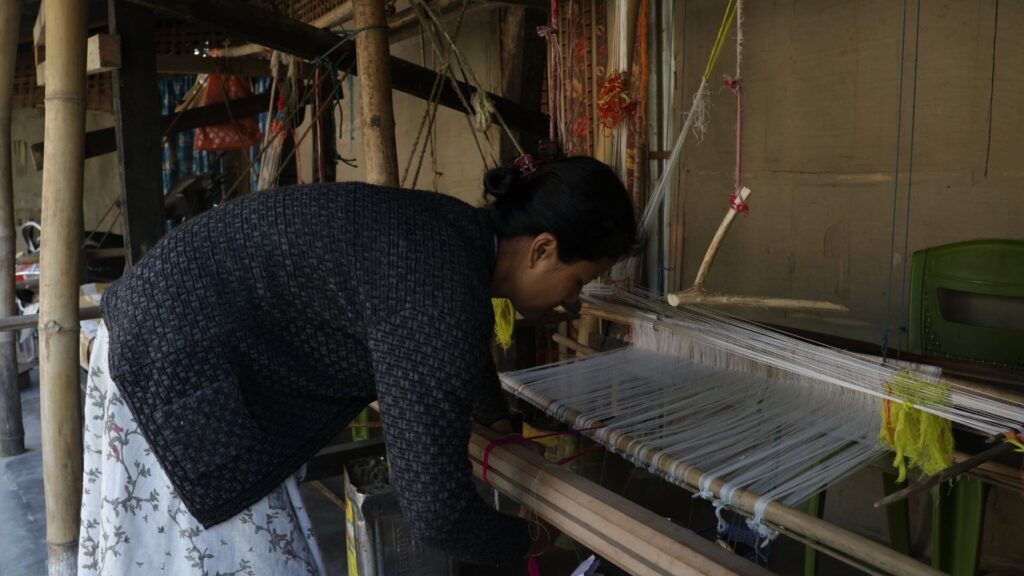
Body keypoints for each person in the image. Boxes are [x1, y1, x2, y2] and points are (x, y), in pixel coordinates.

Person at [77, 155, 640, 575]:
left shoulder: (451, 236)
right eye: (579, 280)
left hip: (153, 335)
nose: (571, 300)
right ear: (542, 249)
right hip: (171, 370)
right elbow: (436, 512)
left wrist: (497, 428)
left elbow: (453, 349)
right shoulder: (439, 280)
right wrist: (529, 539)